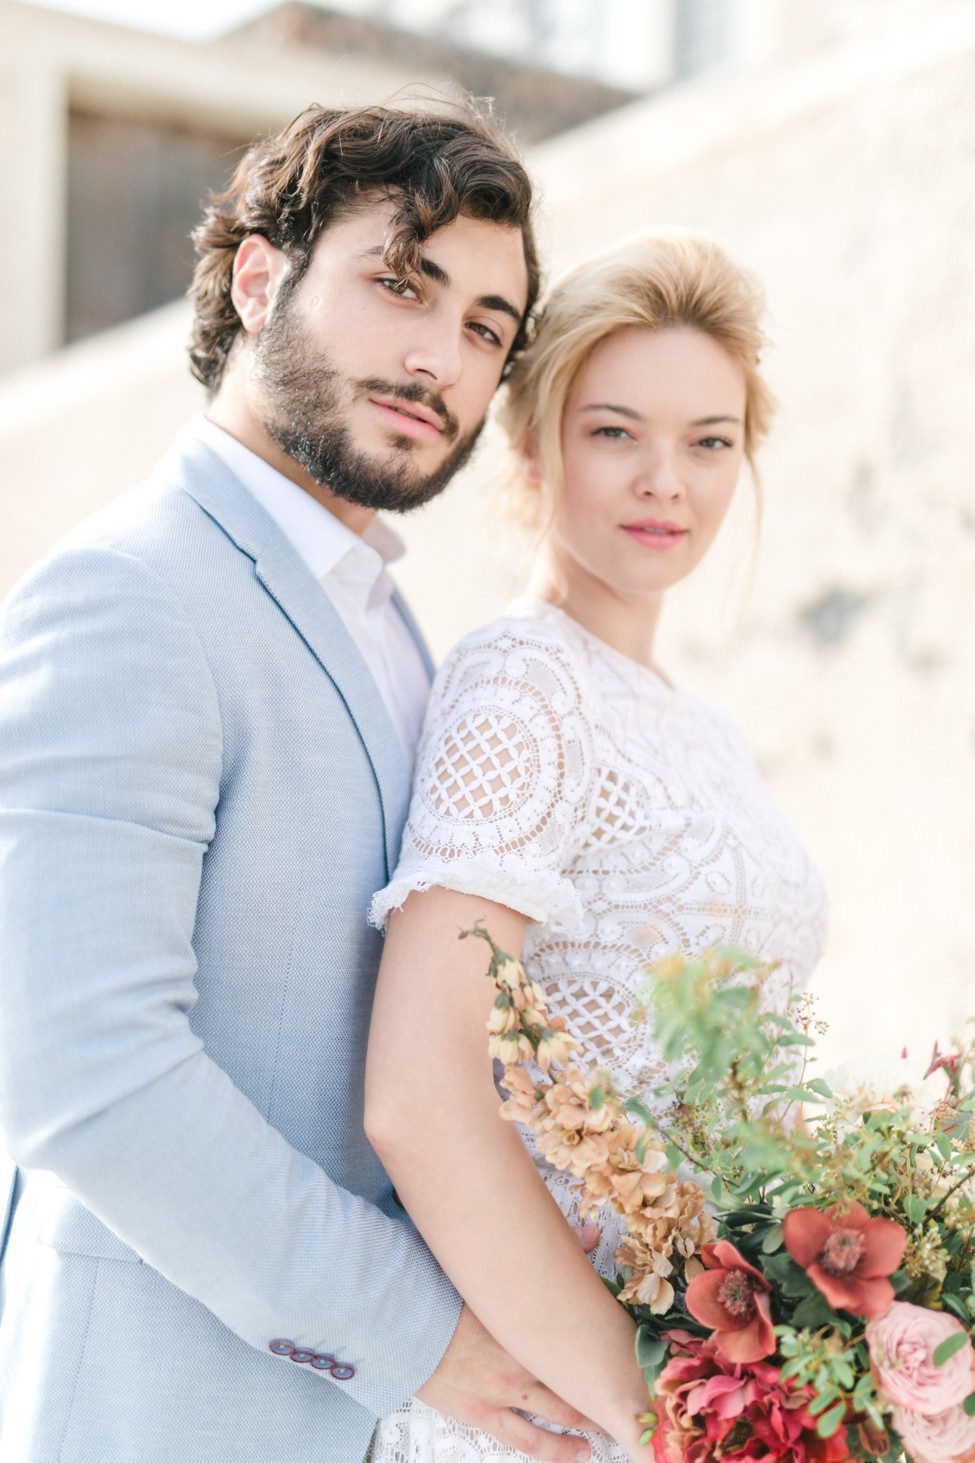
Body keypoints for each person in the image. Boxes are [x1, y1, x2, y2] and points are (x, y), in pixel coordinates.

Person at [0, 100, 596, 1463]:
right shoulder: (128, 593)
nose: (440, 358)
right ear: (258, 280)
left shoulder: (385, 616)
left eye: (485, 327)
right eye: (402, 284)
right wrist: (422, 1335)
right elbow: (85, 1072)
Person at [364, 231, 830, 1461]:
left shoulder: (706, 728)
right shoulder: (522, 683)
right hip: (573, 1399)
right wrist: (655, 1416)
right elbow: (420, 1095)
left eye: (709, 441)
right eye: (616, 431)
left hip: (715, 1369)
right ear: (533, 444)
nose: (665, 481)